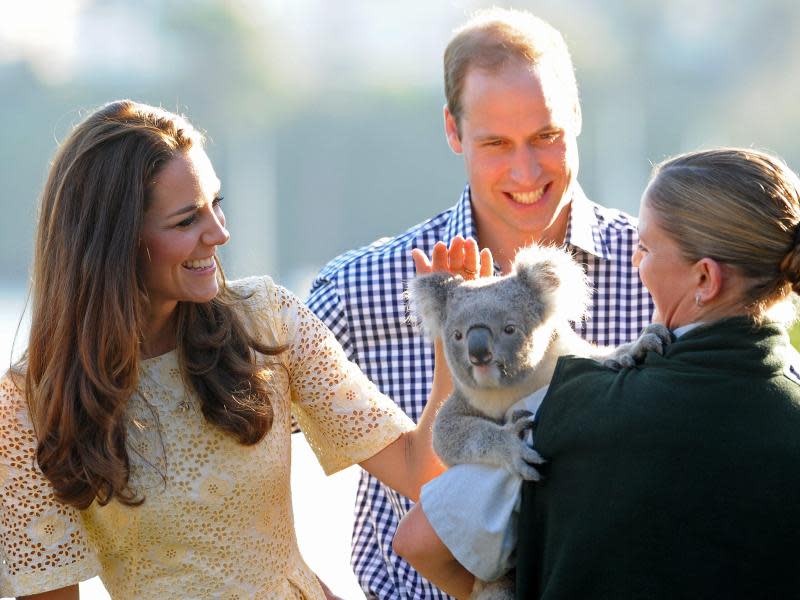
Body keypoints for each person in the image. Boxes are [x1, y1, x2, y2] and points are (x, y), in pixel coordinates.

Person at [0, 100, 451, 599]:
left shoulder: (267, 319)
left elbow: (419, 471)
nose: (219, 232)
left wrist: (454, 341)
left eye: (216, 202)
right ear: (117, 242)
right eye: (186, 220)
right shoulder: (29, 403)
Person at [306, 7, 652, 599]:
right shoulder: (359, 291)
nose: (526, 170)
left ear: (576, 116)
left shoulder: (656, 271)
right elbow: (233, 433)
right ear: (453, 130)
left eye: (546, 137)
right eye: (496, 143)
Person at [394, 147, 800, 599]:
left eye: (645, 248)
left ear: (705, 279)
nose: (634, 263)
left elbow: (419, 543)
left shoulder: (570, 410)